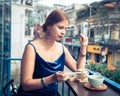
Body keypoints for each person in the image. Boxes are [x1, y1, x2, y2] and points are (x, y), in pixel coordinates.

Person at [17, 9, 88, 96]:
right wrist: (53, 78)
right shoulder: (31, 48)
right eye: (60, 27)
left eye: (65, 29)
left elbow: (78, 70)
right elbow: (25, 85)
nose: (63, 32)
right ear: (48, 25)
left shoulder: (61, 48)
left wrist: (83, 47)